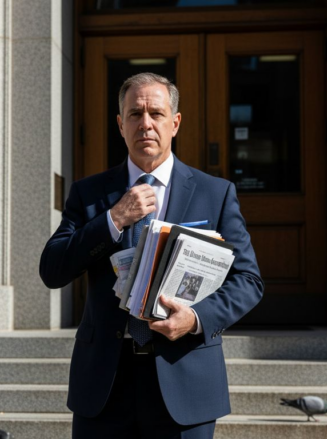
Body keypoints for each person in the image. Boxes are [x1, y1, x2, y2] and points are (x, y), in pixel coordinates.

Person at [39, 72, 263, 439]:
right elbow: (52, 270)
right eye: (134, 114)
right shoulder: (89, 194)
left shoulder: (215, 193)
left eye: (156, 114)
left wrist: (195, 318)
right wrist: (113, 219)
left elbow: (248, 281)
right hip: (104, 383)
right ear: (120, 124)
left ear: (174, 123)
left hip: (184, 377)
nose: (145, 124)